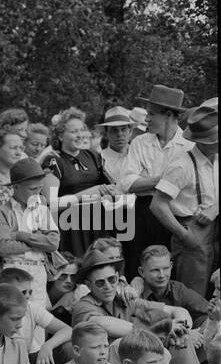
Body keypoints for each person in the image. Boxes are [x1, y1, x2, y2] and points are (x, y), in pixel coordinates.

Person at [118, 83, 190, 277]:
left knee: (167, 270)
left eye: (152, 114)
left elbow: (187, 189)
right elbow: (126, 183)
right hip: (141, 214)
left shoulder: (189, 146)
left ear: (168, 115)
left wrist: (145, 180)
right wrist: (166, 180)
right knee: (137, 265)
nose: (146, 118)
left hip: (173, 215)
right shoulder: (141, 142)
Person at [149, 98, 218, 295]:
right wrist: (184, 235)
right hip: (191, 232)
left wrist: (215, 208)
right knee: (193, 294)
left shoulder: (220, 159)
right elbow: (157, 205)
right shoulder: (181, 165)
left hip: (215, 231)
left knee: (216, 292)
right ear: (204, 142)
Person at [42, 107, 118, 257]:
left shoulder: (93, 156)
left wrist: (112, 192)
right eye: (74, 131)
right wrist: (86, 195)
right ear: (61, 136)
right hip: (71, 229)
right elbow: (50, 205)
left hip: (98, 225)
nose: (80, 135)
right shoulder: (53, 161)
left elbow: (110, 185)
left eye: (82, 130)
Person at [132, 244, 211, 364]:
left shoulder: (178, 289)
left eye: (165, 268)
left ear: (171, 266)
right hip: (153, 352)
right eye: (155, 270)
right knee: (177, 337)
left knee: (212, 323)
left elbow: (209, 311)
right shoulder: (135, 293)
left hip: (185, 352)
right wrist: (184, 334)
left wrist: (191, 332)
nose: (162, 275)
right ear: (141, 272)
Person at [0, 157, 61, 311]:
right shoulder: (2, 211)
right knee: (13, 315)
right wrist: (38, 241)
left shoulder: (42, 209)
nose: (37, 193)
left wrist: (21, 235)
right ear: (16, 187)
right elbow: (3, 247)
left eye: (39, 189)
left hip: (38, 270)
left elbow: (53, 242)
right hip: (12, 270)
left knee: (39, 319)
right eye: (32, 189)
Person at [98, 105, 134, 184]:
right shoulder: (100, 159)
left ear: (130, 131)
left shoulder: (139, 155)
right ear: (106, 133)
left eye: (123, 129)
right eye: (114, 130)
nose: (119, 134)